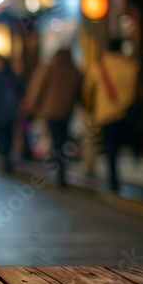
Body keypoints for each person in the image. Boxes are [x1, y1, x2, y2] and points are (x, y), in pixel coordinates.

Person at [83, 39, 139, 192]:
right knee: (123, 144)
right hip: (126, 113)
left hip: (106, 114)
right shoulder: (131, 67)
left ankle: (113, 179)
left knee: (111, 149)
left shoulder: (100, 67)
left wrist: (90, 108)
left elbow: (87, 88)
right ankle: (134, 159)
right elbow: (134, 91)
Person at [25, 47, 83, 186]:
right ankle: (62, 170)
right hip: (66, 111)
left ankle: (59, 172)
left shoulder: (50, 68)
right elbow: (79, 91)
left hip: (51, 111)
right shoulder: (73, 70)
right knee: (62, 140)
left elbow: (39, 87)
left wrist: (34, 104)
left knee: (57, 141)